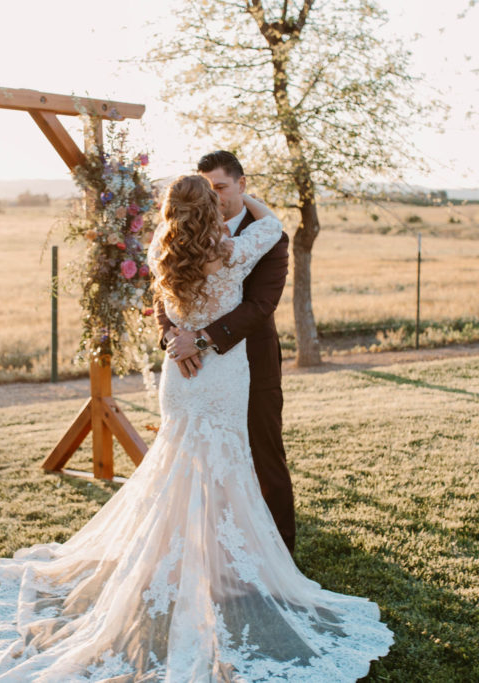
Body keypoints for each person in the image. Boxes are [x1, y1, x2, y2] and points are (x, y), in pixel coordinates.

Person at [0, 175, 392, 681]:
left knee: (176, 465)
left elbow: (164, 314)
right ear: (211, 205)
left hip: (180, 374)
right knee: (225, 465)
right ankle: (223, 571)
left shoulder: (159, 252)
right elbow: (274, 225)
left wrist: (180, 340)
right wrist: (246, 197)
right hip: (221, 373)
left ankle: (176, 564)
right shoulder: (232, 250)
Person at [158, 150, 296, 554]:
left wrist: (197, 339)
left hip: (247, 362)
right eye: (208, 190)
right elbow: (159, 299)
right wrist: (172, 338)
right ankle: (205, 552)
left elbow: (261, 306)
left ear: (242, 184)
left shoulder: (261, 239)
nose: (215, 198)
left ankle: (279, 553)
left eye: (221, 187)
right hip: (188, 367)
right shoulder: (215, 244)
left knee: (264, 457)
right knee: (191, 465)